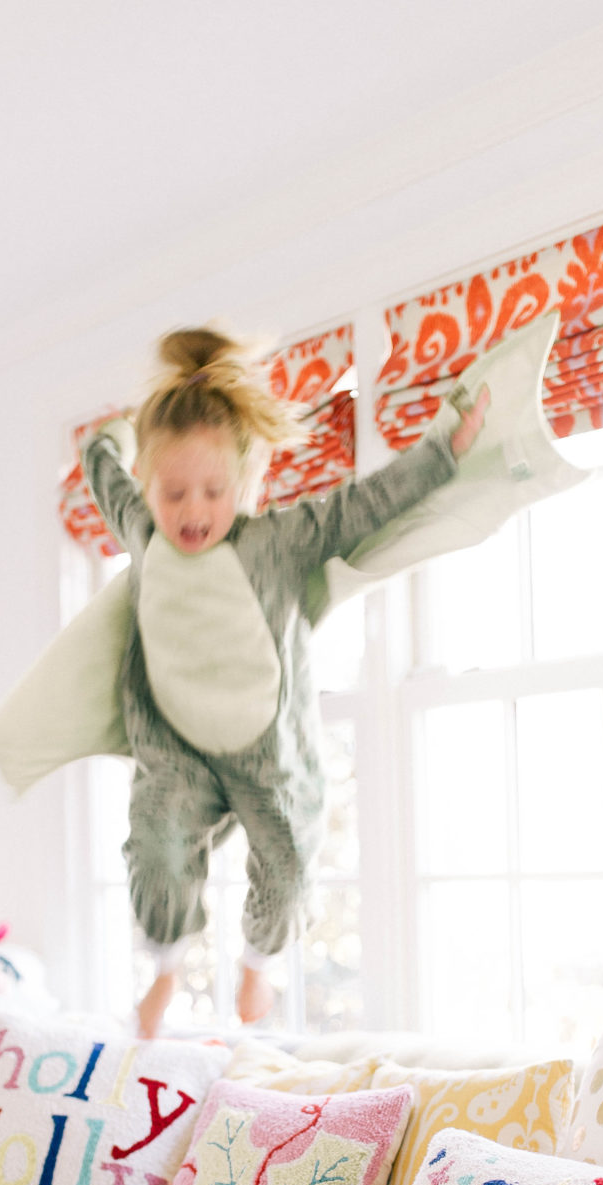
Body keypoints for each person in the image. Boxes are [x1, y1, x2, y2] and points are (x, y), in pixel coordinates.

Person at [82, 325, 488, 1037]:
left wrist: (441, 453)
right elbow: (101, 469)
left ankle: (256, 964)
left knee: (292, 855)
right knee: (156, 835)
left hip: (265, 749)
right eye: (173, 492)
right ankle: (168, 964)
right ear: (150, 487)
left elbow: (361, 506)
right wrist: (108, 435)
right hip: (177, 744)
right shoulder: (144, 532)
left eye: (212, 491)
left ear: (243, 484)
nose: (192, 511)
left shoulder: (277, 539)